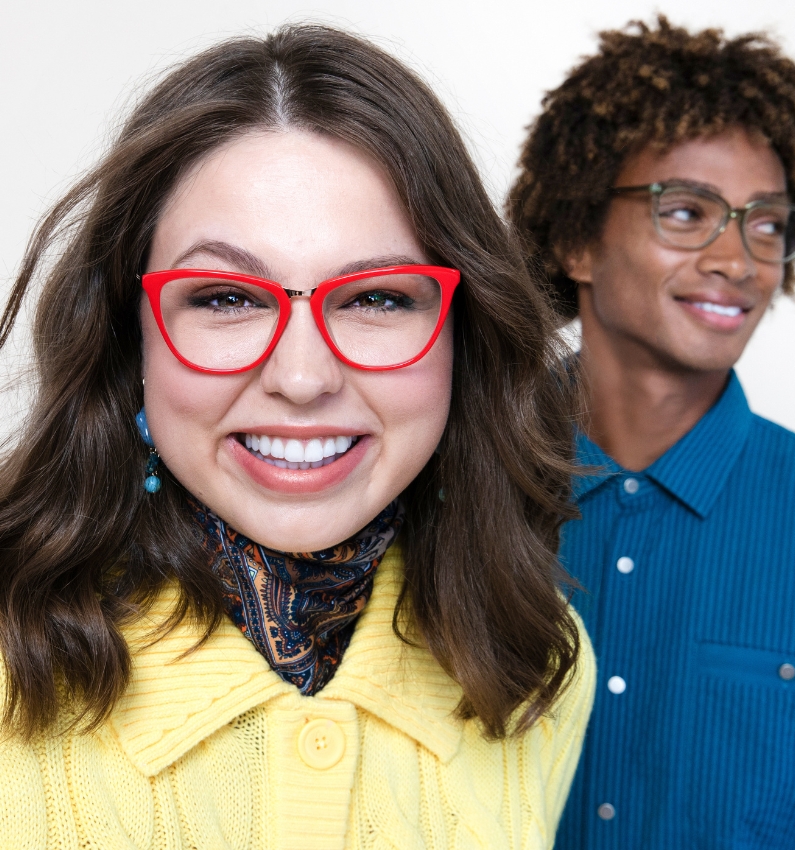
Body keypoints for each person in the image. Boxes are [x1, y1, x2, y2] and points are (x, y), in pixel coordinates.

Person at [0, 24, 595, 848]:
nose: (304, 378)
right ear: (126, 335)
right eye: (225, 297)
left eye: (379, 298)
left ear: (467, 337)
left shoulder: (539, 659)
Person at [508, 15, 795, 849]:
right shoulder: (448, 486)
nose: (740, 260)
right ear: (578, 238)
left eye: (767, 224)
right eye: (688, 211)